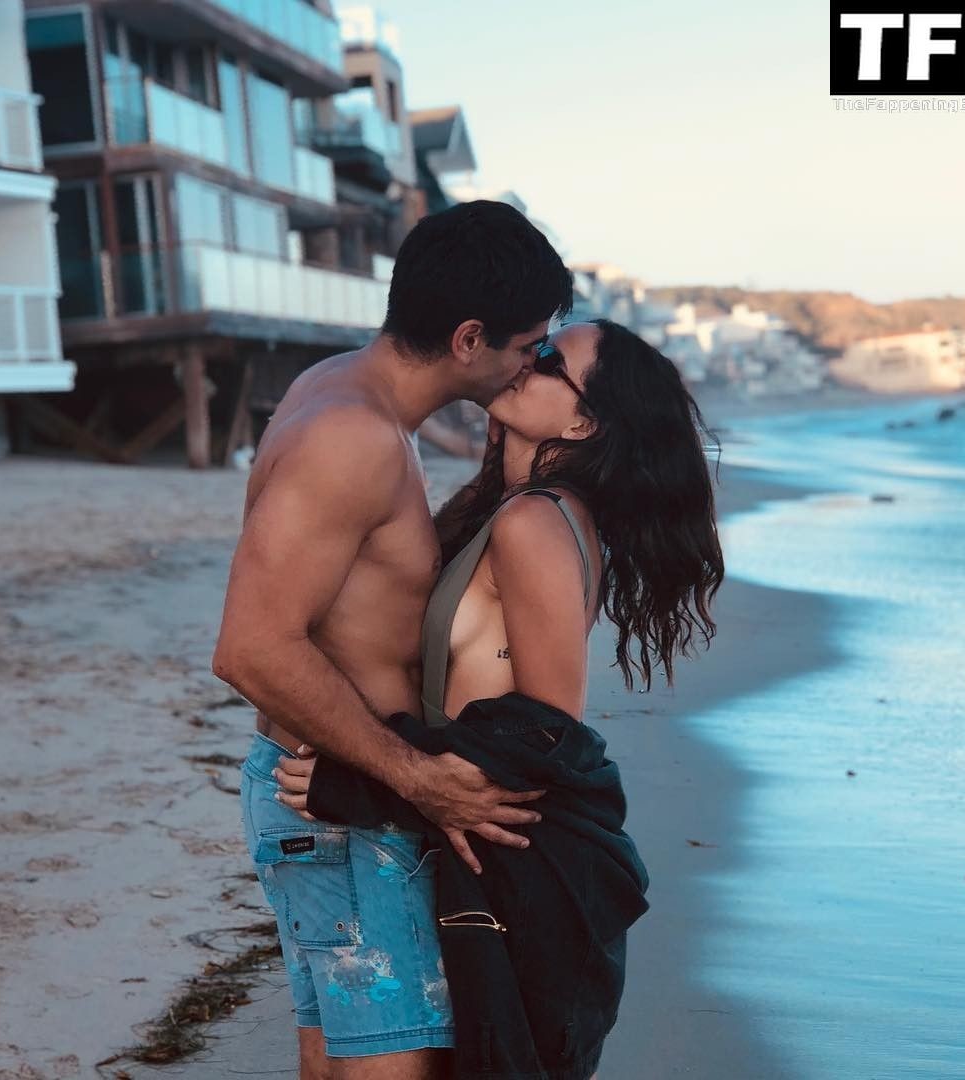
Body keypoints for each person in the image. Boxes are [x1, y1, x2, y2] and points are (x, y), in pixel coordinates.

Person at [277, 318, 726, 1079]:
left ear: (582, 423)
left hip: (501, 859)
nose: (526, 359)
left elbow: (544, 735)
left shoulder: (534, 521)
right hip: (466, 843)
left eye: (550, 360)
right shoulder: (517, 508)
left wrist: (362, 779)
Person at [212, 200, 574, 1080]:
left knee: (334, 1059)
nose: (532, 366)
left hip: (325, 797)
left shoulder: (346, 393)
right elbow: (251, 648)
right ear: (469, 339)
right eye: (529, 347)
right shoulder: (352, 437)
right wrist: (415, 779)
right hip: (340, 807)